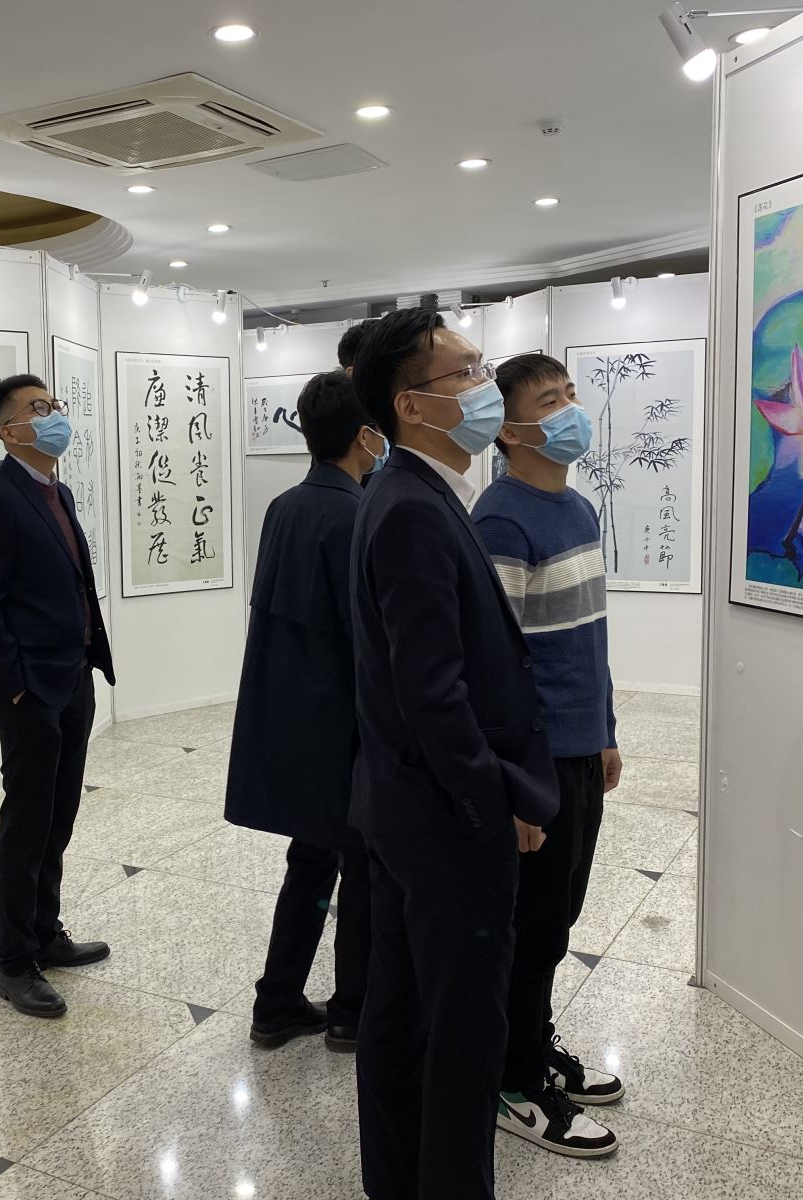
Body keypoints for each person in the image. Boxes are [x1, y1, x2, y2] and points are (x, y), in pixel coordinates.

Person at [348, 310, 559, 1200]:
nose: (485, 383)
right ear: (412, 404)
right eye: (465, 371)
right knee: (462, 1034)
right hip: (442, 822)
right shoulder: (410, 509)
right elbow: (431, 694)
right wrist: (492, 803)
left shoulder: (420, 494)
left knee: (403, 1015)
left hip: (406, 808)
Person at [474, 353, 625, 1157]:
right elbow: (495, 666)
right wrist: (512, 785)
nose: (570, 410)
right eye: (548, 400)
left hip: (578, 749)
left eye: (570, 394)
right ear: (509, 429)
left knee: (555, 918)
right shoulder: (501, 521)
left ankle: (532, 1045)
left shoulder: (580, 509)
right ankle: (512, 1084)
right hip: (535, 762)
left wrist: (604, 728)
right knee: (531, 926)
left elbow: (588, 639)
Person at [225, 371, 384, 1052]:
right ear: (365, 435)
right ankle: (351, 1010)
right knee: (362, 868)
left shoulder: (285, 506)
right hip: (344, 726)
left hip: (295, 718)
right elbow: (364, 637)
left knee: (312, 862)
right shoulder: (357, 515)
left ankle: (277, 1001)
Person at [0, 374, 115, 1020]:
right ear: (9, 431)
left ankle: (46, 931)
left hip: (72, 678)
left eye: (53, 405)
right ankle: (15, 960)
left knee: (60, 814)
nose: (52, 416)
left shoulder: (58, 491)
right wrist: (16, 686)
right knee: (27, 821)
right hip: (31, 691)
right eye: (37, 408)